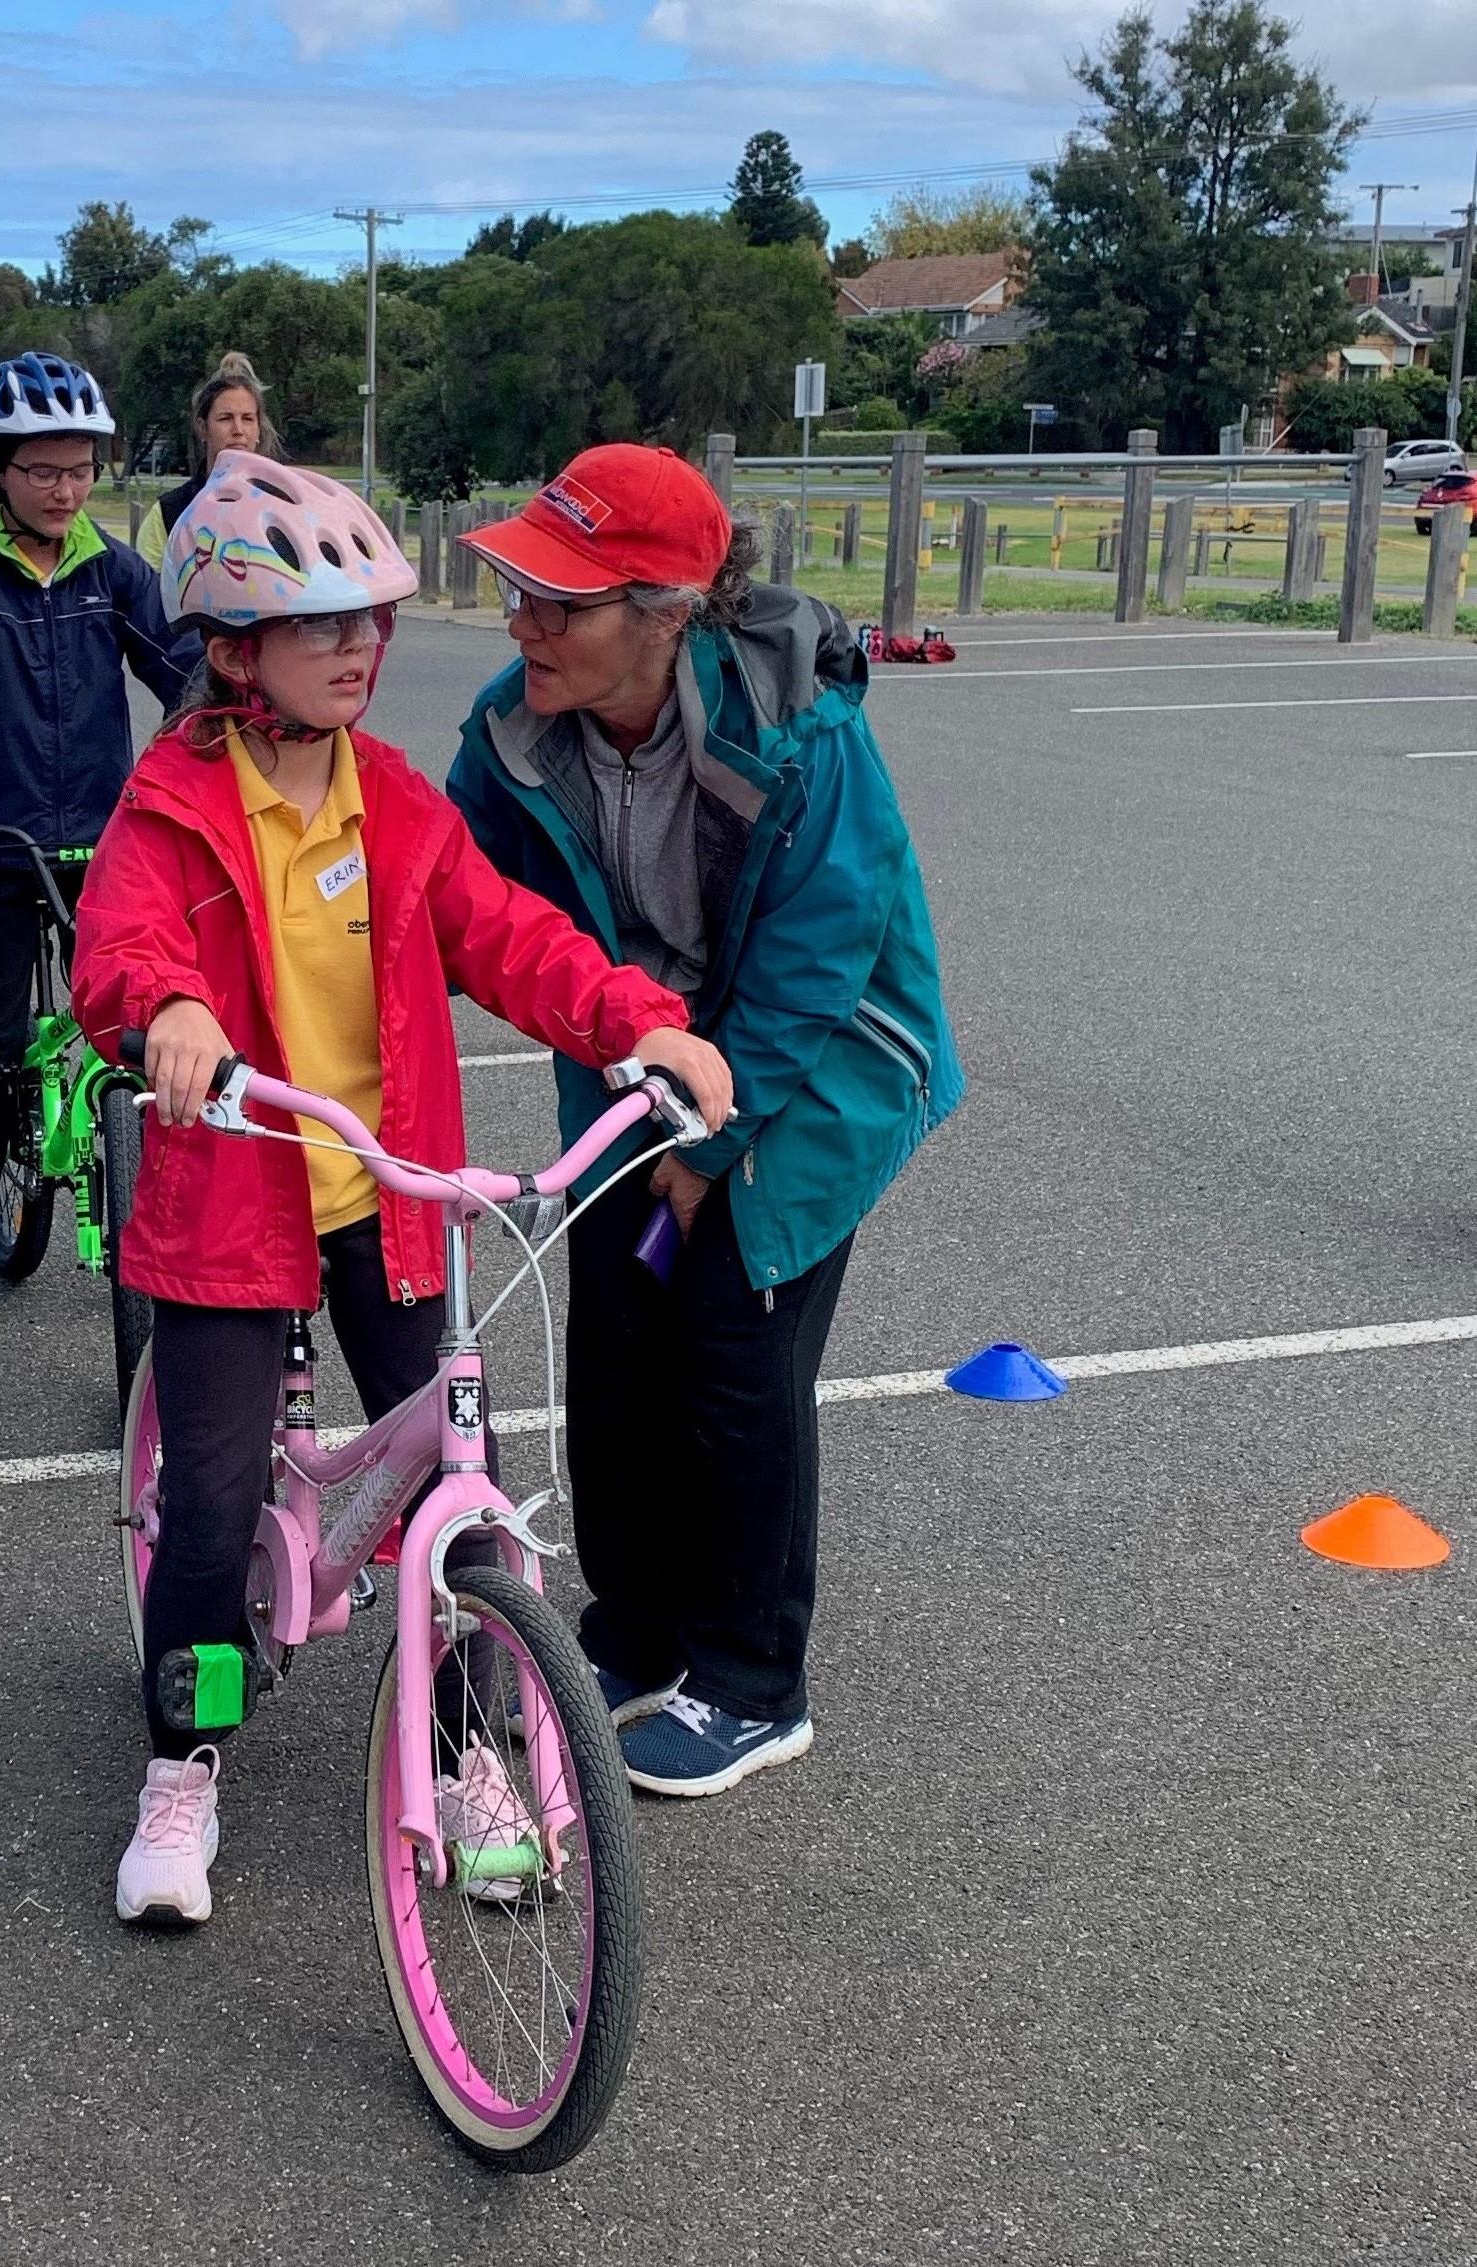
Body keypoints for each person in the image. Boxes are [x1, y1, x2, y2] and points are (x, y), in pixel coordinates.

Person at [71, 452, 734, 1925]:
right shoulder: (172, 800)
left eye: (370, 616)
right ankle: (183, 1761)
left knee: (461, 1494)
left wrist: (637, 1018)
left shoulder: (393, 801)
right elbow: (119, 951)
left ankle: (464, 1756)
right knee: (209, 1507)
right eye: (321, 625)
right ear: (235, 652)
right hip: (233, 1200)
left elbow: (508, 936)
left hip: (388, 1195)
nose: (361, 645)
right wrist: (165, 1011)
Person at [446, 444, 962, 1800]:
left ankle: (749, 1678)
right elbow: (454, 903)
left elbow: (824, 946)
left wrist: (709, 1152)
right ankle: (631, 1634)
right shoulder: (509, 734)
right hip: (636, 1071)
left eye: (562, 602)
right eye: (519, 591)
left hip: (814, 1068)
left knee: (735, 1356)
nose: (524, 625)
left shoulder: (799, 725)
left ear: (667, 611)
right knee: (616, 1348)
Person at [0, 352, 199, 1347]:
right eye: (42, 472)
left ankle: (175, 1243)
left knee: (145, 1040)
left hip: (108, 849)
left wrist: (207, 742)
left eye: (79, 470)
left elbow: (182, 663)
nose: (65, 491)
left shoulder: (111, 567)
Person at [132, 351, 271, 562]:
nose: (238, 429)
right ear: (202, 427)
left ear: (259, 429)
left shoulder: (281, 505)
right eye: (225, 418)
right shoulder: (168, 514)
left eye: (248, 419)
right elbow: (146, 589)